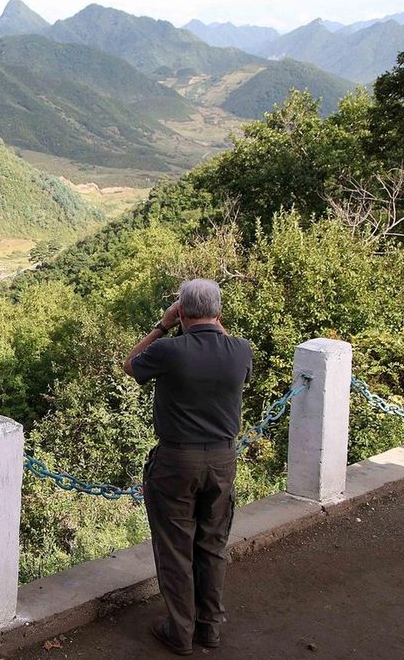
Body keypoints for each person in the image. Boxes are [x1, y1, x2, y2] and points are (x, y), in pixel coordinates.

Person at [122, 278, 252, 656]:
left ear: (181, 312)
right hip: (223, 460)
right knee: (212, 544)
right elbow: (222, 342)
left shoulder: (169, 350)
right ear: (219, 313)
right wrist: (211, 321)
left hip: (177, 462)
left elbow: (130, 365)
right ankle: (210, 628)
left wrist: (164, 324)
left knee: (176, 547)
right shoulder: (240, 350)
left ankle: (179, 632)